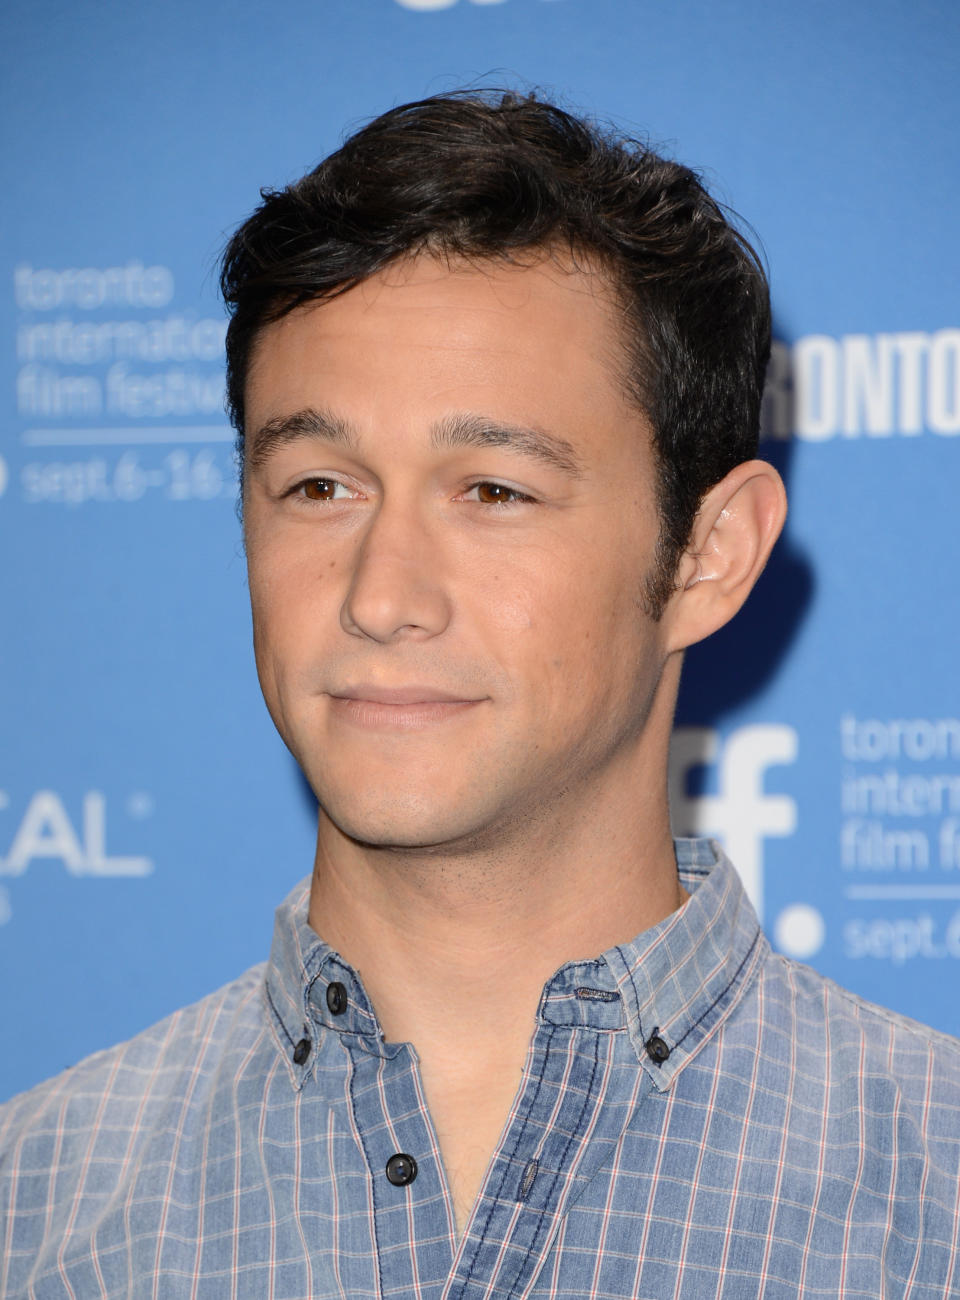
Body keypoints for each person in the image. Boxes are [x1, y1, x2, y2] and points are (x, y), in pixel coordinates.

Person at [2, 90, 958, 1299]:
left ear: (710, 556)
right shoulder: (32, 1206)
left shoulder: (936, 1194)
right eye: (318, 487)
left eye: (493, 491)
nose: (381, 595)